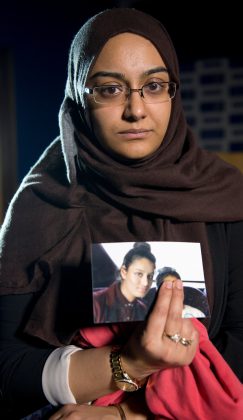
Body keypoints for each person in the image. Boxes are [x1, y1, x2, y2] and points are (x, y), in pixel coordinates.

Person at [0, 7, 243, 420]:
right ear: (78, 96)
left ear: (173, 92)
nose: (136, 109)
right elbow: (7, 368)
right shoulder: (40, 204)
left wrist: (128, 415)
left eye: (153, 85)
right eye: (110, 89)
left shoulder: (226, 195)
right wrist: (130, 364)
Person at [93, 242, 155, 323]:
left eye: (150, 276)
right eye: (139, 274)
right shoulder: (96, 303)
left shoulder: (142, 308)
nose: (146, 283)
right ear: (124, 272)